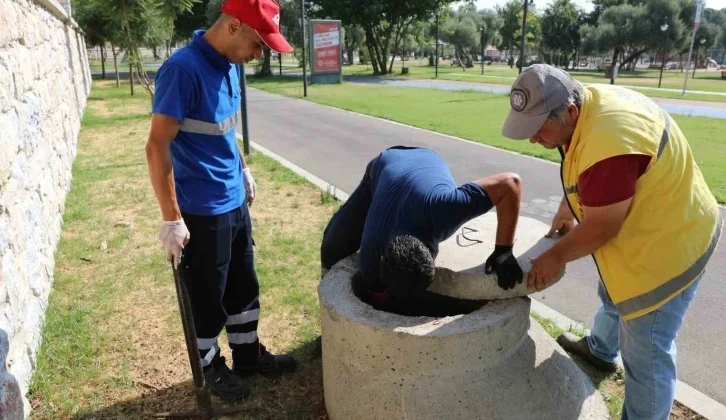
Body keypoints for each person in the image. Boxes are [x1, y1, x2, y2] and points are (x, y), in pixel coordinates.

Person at [501, 64, 722, 420]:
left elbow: (602, 228)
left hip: (669, 248)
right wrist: (568, 205)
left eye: (538, 129)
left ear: (569, 111)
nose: (532, 139)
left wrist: (554, 257)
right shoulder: (582, 106)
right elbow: (580, 161)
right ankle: (601, 349)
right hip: (652, 224)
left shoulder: (608, 141)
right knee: (613, 291)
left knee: (647, 353)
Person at [145, 0, 297, 400]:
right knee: (207, 297)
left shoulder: (228, 66)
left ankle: (248, 355)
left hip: (233, 202)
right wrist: (171, 218)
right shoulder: (182, 71)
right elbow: (157, 145)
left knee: (243, 287)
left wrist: (243, 169)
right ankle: (210, 366)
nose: (258, 55)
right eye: (259, 44)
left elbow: (224, 130)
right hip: (201, 209)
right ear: (233, 27)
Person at [320, 146, 523, 317]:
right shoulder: (371, 254)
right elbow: (379, 303)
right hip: (384, 166)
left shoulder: (447, 210)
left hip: (426, 159)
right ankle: (329, 322)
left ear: (431, 254)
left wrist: (503, 251)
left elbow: (510, 182)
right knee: (331, 249)